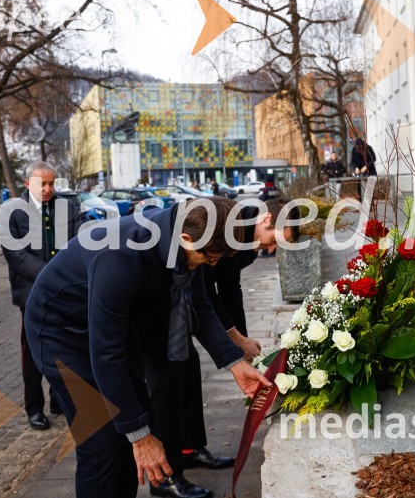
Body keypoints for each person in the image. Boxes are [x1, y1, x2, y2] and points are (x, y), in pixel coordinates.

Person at [24, 197, 270, 498]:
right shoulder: (121, 256)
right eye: (212, 257)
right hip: (61, 333)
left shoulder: (186, 237)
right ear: (186, 239)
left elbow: (200, 302)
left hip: (116, 327)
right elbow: (106, 353)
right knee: (102, 441)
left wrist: (234, 362)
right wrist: (139, 437)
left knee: (130, 423)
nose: (213, 263)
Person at [148, 199, 300, 498]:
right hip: (162, 304)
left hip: (186, 300)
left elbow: (230, 288)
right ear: (267, 219)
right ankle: (165, 477)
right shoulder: (224, 228)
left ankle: (189, 448)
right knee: (166, 382)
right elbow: (205, 292)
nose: (271, 250)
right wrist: (232, 341)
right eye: (274, 241)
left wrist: (241, 339)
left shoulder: (249, 243)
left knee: (189, 372)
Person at [1, 161, 81, 431]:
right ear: (28, 184)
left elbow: (76, 243)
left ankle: (59, 399)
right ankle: (34, 407)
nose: (47, 189)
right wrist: (51, 276)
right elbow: (16, 255)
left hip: (63, 292)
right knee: (32, 352)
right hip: (32, 294)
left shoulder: (66, 207)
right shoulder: (13, 212)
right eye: (42, 184)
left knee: (64, 347)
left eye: (51, 184)